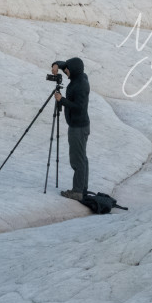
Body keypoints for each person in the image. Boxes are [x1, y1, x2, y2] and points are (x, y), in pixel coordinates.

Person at [51, 57, 90, 200]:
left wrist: (62, 100)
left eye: (67, 70)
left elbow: (79, 107)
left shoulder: (81, 85)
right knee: (82, 158)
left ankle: (77, 192)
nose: (65, 71)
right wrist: (56, 65)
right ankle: (83, 188)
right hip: (80, 125)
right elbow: (64, 64)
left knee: (77, 160)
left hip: (78, 127)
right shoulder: (79, 75)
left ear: (73, 71)